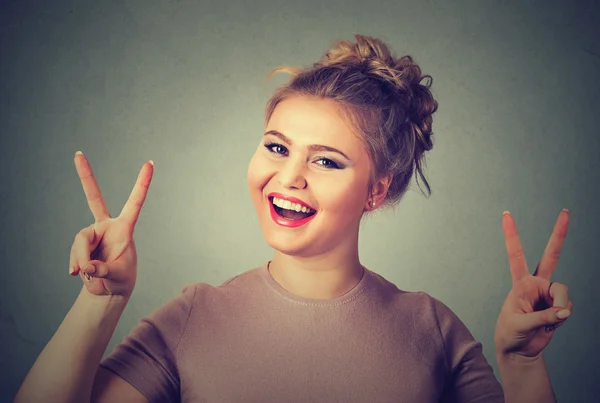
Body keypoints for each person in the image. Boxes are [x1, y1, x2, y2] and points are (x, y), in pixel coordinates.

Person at [15, 34, 573, 403]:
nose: (290, 176)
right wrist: (100, 303)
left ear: (376, 191)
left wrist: (521, 366)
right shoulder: (192, 317)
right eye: (278, 148)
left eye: (326, 160)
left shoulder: (433, 329)